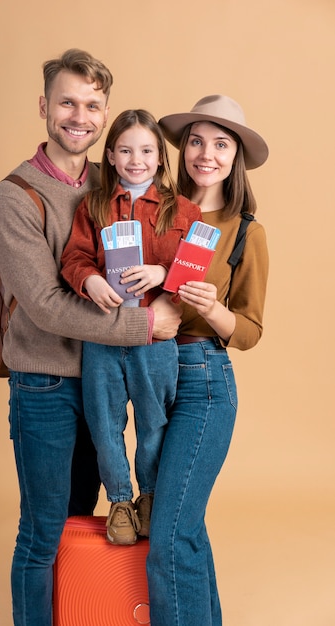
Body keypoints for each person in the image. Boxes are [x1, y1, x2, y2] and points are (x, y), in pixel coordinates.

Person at [0, 49, 181, 626]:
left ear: (106, 113)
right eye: (67, 101)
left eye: (93, 105)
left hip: (109, 380)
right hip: (45, 385)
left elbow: (167, 246)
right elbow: (45, 305)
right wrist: (145, 326)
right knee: (44, 530)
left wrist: (172, 280)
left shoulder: (118, 182)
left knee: (81, 518)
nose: (80, 116)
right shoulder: (12, 198)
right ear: (45, 107)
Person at [146, 94, 269, 625]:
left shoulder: (245, 231)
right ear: (183, 148)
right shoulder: (155, 211)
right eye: (196, 140)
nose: (206, 154)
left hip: (204, 380)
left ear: (235, 156)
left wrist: (213, 310)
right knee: (179, 527)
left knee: (171, 533)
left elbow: (249, 331)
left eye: (221, 144)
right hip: (149, 376)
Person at [61, 109, 202, 546]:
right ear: (110, 155)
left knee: (154, 422)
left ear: (161, 157)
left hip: (156, 341)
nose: (135, 159)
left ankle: (150, 497)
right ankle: (120, 500)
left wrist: (164, 276)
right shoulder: (94, 205)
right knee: (104, 424)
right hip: (104, 335)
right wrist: (90, 279)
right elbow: (74, 257)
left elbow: (194, 271)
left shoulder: (184, 210)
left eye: (145, 150)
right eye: (125, 150)